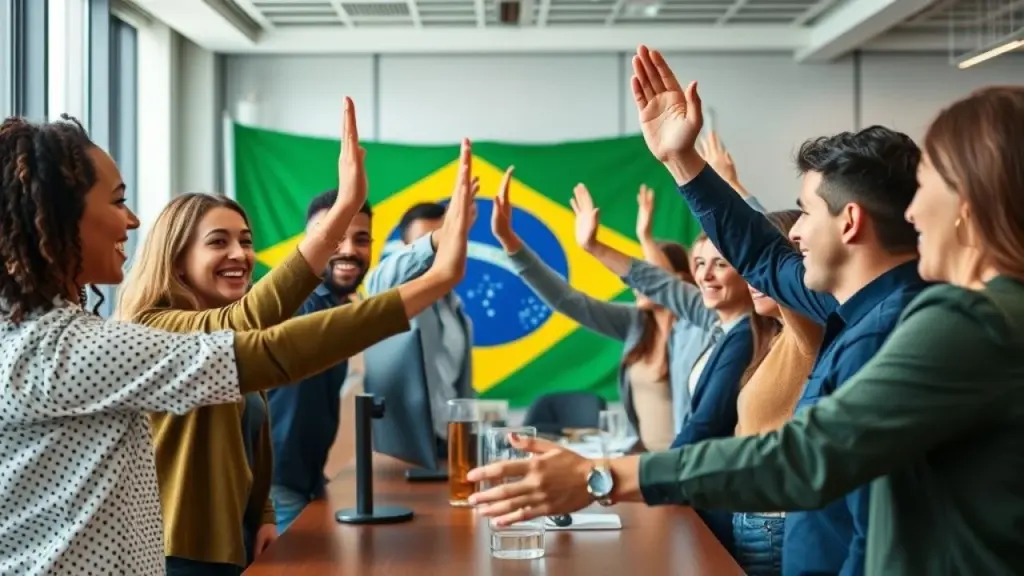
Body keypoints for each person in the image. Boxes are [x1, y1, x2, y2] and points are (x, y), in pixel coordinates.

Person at [467, 70, 1024, 576]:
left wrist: (603, 478)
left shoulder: (953, 321)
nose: (912, 211)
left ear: (964, 204)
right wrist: (682, 161)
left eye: (928, 188)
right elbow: (762, 255)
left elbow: (808, 456)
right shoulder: (863, 308)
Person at [0, 109, 474, 574]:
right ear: (61, 216)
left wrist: (261, 515)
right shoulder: (64, 347)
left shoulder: (56, 334)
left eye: (245, 241)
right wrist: (432, 276)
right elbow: (264, 346)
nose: (133, 220)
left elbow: (247, 396)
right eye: (117, 201)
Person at [636, 47, 928, 576]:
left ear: (850, 222)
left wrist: (616, 476)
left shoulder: (890, 333)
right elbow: (762, 255)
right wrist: (681, 160)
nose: (793, 231)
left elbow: (847, 505)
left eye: (806, 212)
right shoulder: (850, 304)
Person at [491, 172, 710, 452]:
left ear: (681, 279)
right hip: (641, 464)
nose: (635, 281)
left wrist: (644, 237)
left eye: (646, 269)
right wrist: (512, 245)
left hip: (686, 466)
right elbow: (569, 301)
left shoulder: (700, 328)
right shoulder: (636, 324)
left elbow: (659, 284)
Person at [264, 190, 374, 532]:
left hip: (308, 482)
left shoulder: (337, 309)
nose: (349, 250)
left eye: (361, 239)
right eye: (333, 238)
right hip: (280, 486)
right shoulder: (298, 305)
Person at [363, 194, 478, 459]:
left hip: (446, 443)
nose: (437, 253)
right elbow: (379, 280)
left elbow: (458, 385)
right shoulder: (391, 291)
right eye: (428, 243)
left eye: (444, 240)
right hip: (403, 448)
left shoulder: (457, 311)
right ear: (406, 248)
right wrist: (440, 238)